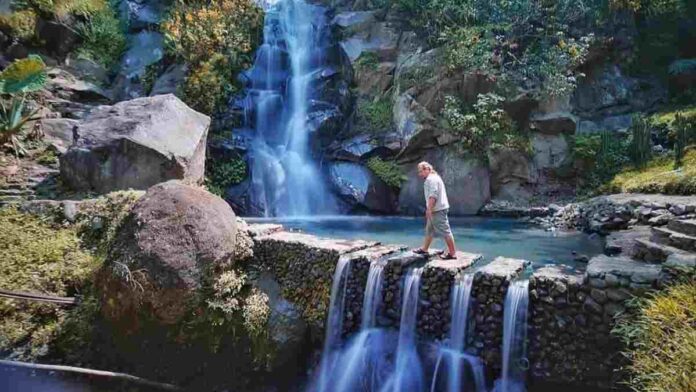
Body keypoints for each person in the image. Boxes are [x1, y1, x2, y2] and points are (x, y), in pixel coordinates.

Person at [413, 161, 457, 260]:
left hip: (437, 209)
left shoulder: (430, 179)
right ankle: (424, 249)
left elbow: (433, 196)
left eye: (421, 171)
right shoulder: (435, 177)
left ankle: (452, 253)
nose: (420, 174)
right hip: (437, 208)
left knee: (445, 231)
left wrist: (429, 209)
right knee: (429, 230)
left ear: (427, 169)